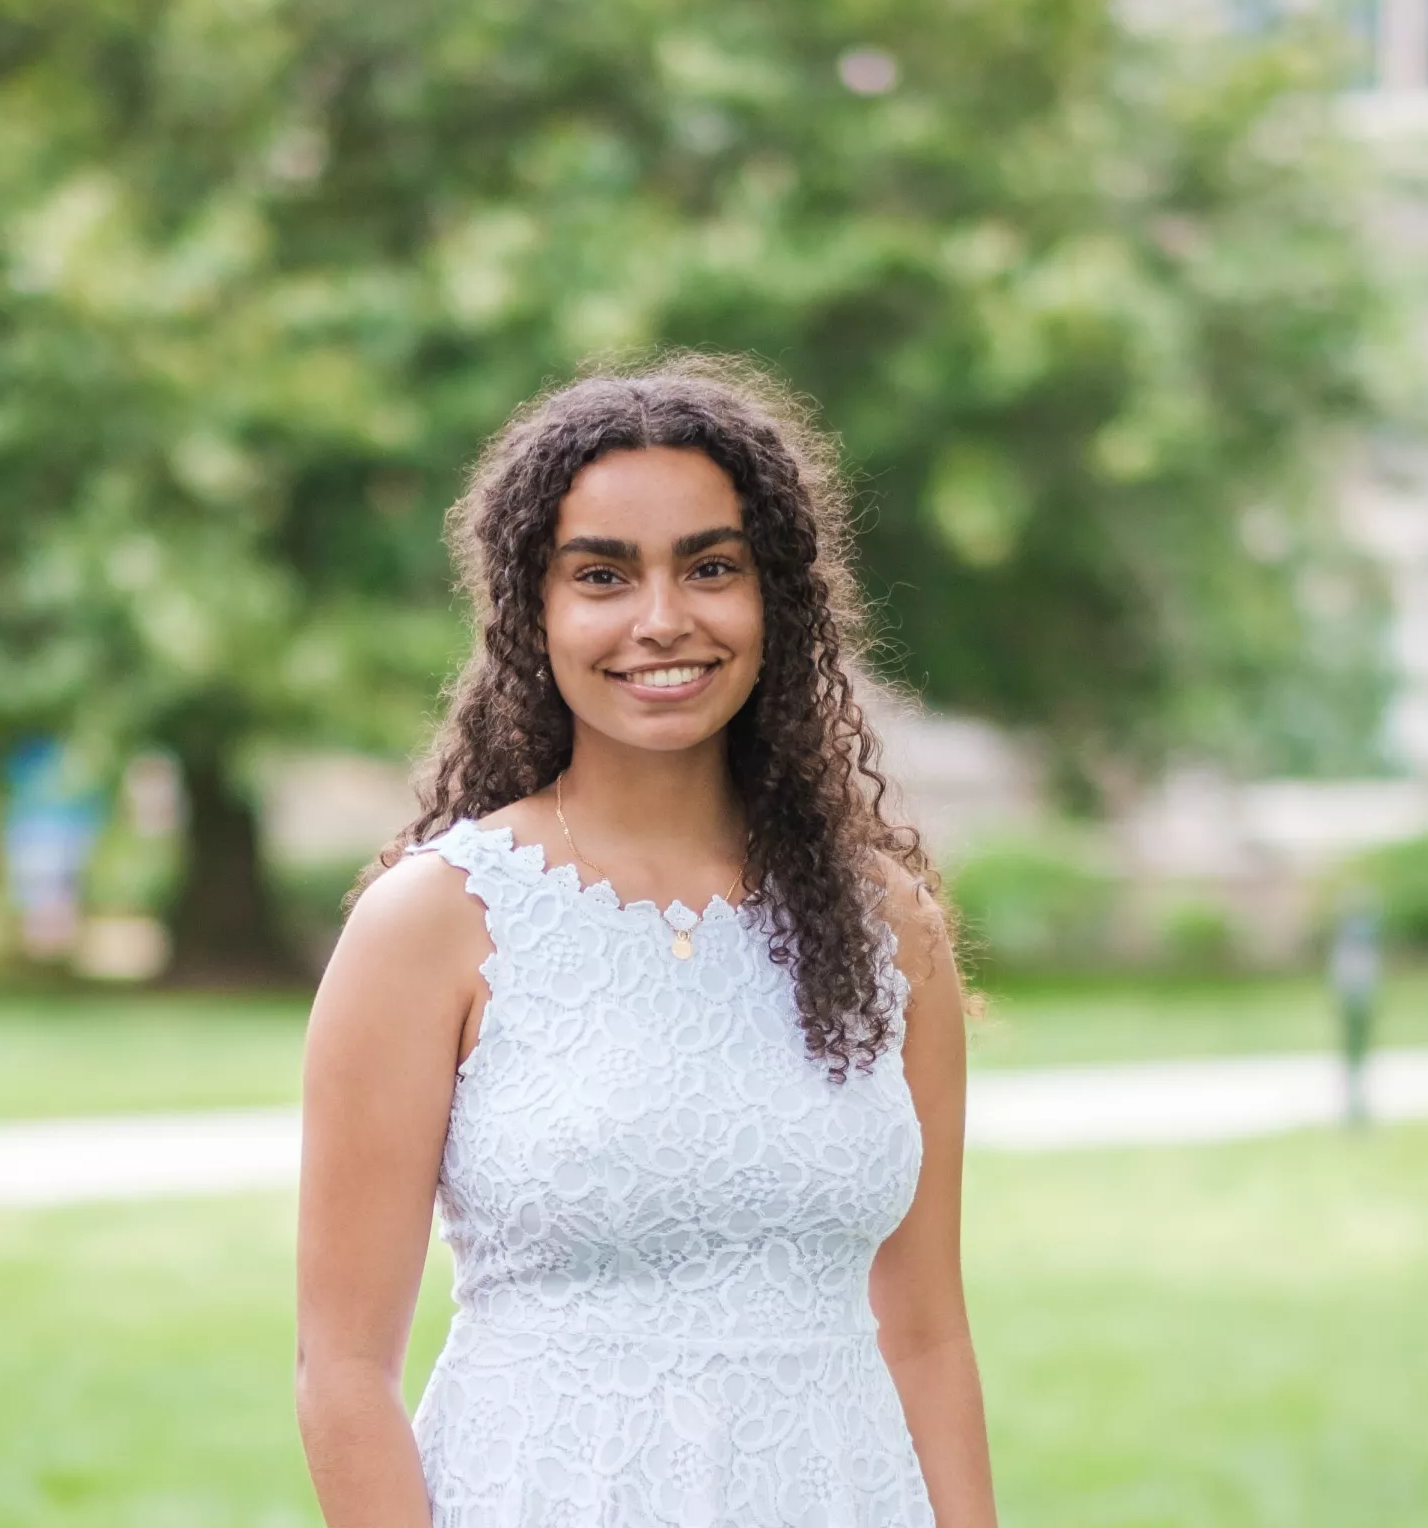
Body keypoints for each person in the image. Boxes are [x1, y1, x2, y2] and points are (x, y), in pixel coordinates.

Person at [294, 356, 998, 1526]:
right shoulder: (434, 920)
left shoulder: (888, 924)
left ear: (777, 596)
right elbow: (341, 1372)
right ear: (533, 610)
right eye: (602, 575)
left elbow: (925, 1331)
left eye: (710, 567)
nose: (661, 620)